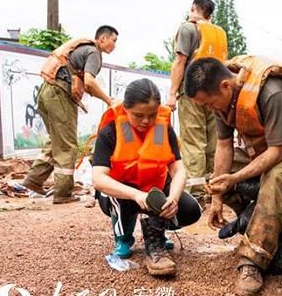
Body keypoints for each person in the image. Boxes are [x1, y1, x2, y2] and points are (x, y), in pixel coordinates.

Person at [185, 55, 282, 296]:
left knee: (276, 177)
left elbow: (277, 152)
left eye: (209, 104)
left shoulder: (271, 91)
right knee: (220, 174)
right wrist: (218, 195)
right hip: (265, 141)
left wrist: (235, 178)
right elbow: (223, 146)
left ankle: (253, 260)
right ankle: (255, 222)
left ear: (225, 87)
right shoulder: (222, 99)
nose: (210, 110)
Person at [92, 78, 201, 277]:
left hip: (154, 191)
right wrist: (136, 195)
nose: (145, 121)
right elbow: (99, 179)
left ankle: (156, 230)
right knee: (120, 199)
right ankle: (124, 237)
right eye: (138, 115)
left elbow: (178, 170)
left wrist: (174, 198)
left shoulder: (162, 129)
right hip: (122, 194)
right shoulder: (111, 131)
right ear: (126, 109)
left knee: (191, 210)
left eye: (151, 115)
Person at [23, 25, 118, 204]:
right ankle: (63, 193)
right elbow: (89, 81)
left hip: (46, 91)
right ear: (103, 38)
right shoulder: (94, 53)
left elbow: (84, 82)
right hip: (59, 93)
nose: (114, 45)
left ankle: (33, 181)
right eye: (113, 40)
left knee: (56, 140)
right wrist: (109, 100)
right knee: (67, 145)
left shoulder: (82, 49)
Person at [167, 0, 228, 199]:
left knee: (193, 142)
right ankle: (213, 189)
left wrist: (172, 93)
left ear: (194, 8)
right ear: (210, 14)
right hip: (216, 95)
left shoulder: (188, 28)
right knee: (214, 141)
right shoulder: (219, 33)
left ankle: (195, 193)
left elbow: (180, 61)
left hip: (192, 93)